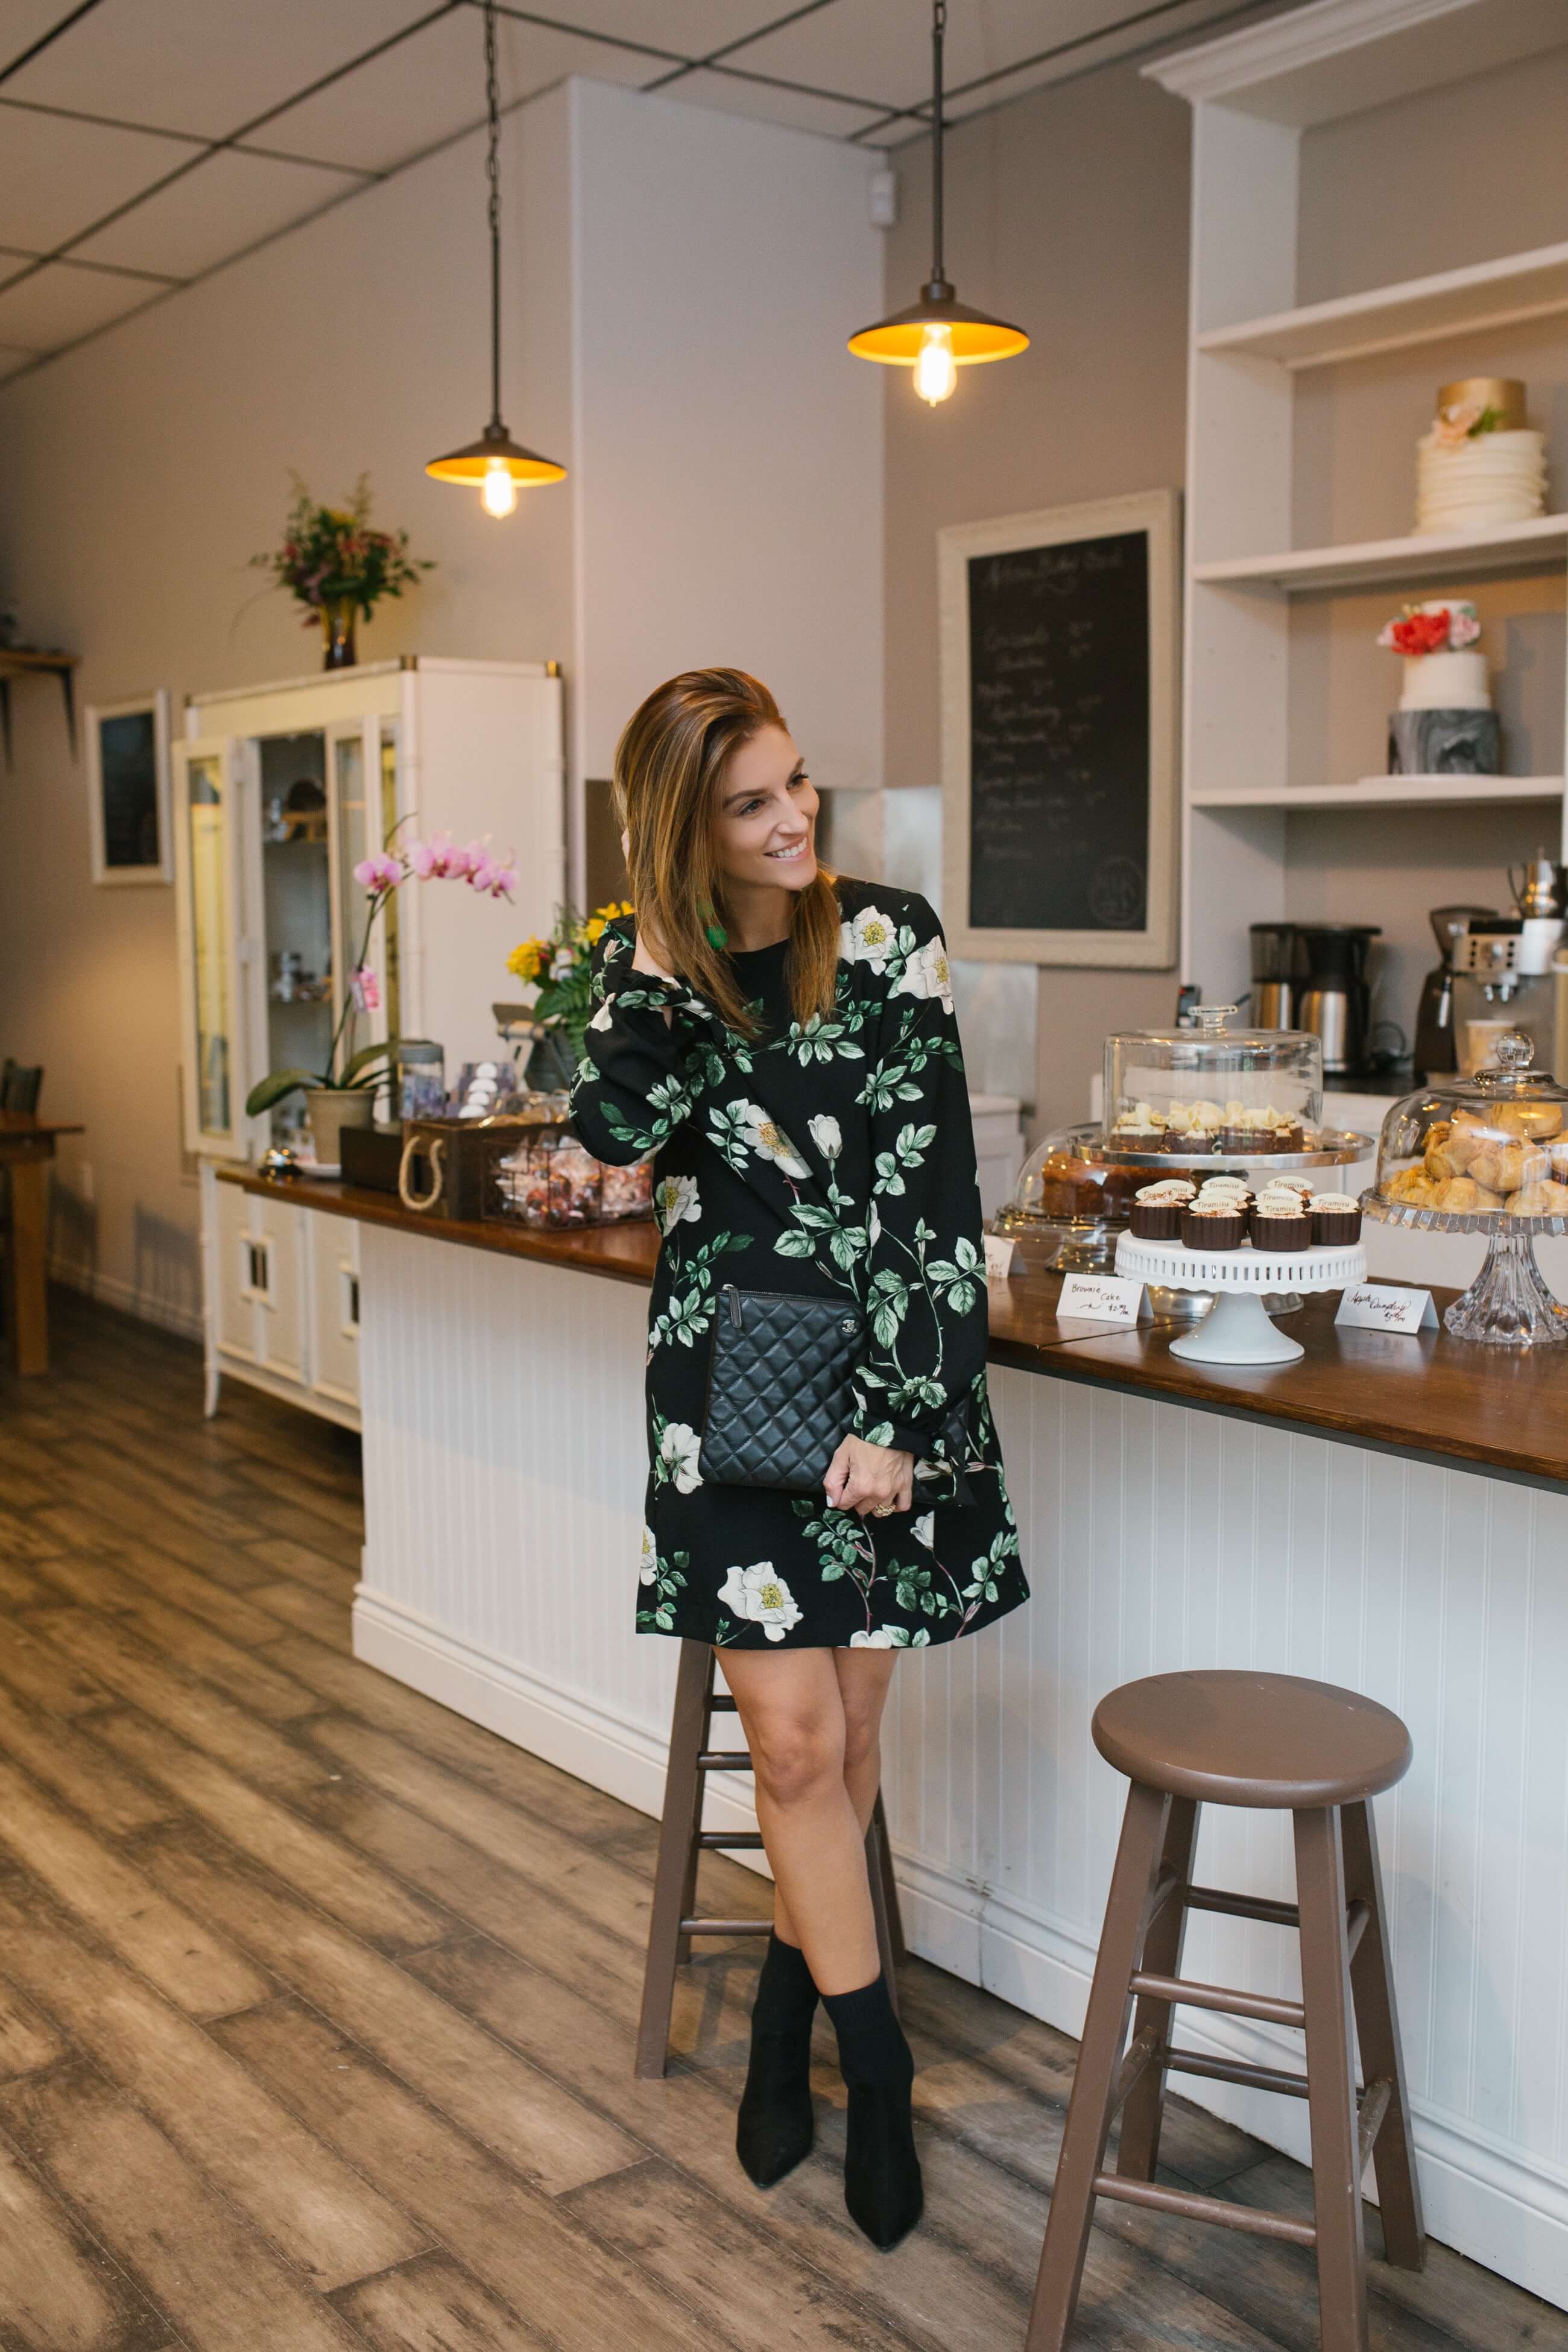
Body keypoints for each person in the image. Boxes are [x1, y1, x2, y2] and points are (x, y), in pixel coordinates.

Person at [571, 668, 1028, 2250]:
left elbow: (933, 1185)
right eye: (752, 803)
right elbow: (610, 1139)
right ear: (684, 829)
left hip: (881, 1380)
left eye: (798, 783)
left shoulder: (888, 938)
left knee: (846, 1736)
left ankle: (785, 2017)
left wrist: (899, 1416)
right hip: (729, 1394)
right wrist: (654, 965)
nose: (796, 820)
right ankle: (879, 2075)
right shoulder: (651, 967)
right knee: (792, 1754)